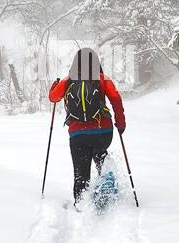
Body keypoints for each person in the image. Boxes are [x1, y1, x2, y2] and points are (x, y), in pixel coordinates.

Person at [48, 47, 126, 205]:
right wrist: (120, 123)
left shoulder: (68, 79)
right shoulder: (102, 78)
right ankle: (106, 174)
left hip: (78, 134)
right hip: (103, 131)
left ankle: (82, 204)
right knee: (100, 152)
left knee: (81, 171)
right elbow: (116, 99)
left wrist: (54, 85)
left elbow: (53, 98)